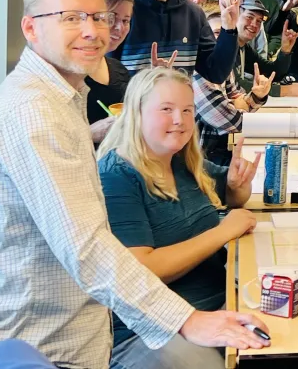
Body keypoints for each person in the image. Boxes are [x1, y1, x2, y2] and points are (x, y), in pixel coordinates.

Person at [0, 0, 269, 367]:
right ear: (31, 29)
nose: (92, 30)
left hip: (80, 332)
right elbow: (87, 248)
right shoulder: (34, 113)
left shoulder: (60, 99)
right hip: (51, 348)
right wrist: (187, 320)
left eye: (98, 17)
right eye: (70, 18)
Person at [98, 68, 263, 369]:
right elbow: (143, 269)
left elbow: (230, 196)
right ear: (136, 113)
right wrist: (222, 232)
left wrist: (239, 187)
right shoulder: (116, 176)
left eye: (187, 110)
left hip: (218, 303)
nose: (180, 120)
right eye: (167, 109)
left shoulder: (180, 161)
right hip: (152, 329)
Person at [194, 0, 297, 163]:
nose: (254, 25)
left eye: (259, 21)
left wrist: (253, 98)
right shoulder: (198, 69)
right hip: (201, 159)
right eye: (249, 17)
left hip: (217, 149)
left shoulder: (233, 52)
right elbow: (231, 119)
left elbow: (239, 95)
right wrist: (239, 103)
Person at [85, 0, 134, 146]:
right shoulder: (70, 73)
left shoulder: (118, 69)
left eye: (126, 21)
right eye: (110, 18)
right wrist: (89, 134)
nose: (119, 28)